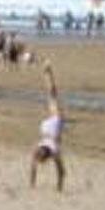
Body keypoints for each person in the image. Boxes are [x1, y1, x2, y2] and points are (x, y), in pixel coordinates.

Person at [31, 61, 66, 191]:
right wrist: (59, 188)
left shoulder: (49, 149)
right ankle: (47, 72)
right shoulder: (52, 149)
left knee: (52, 93)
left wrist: (32, 184)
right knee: (52, 94)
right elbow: (61, 172)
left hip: (51, 122)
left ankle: (47, 70)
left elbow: (61, 171)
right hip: (52, 121)